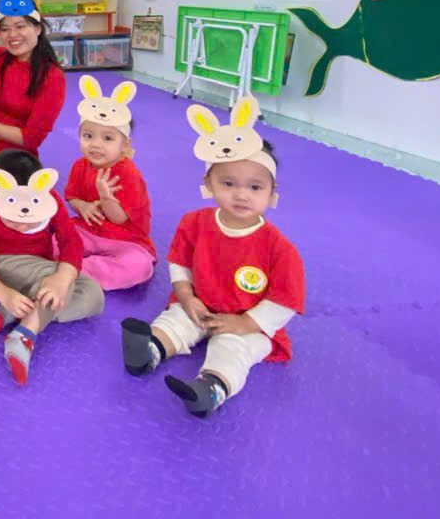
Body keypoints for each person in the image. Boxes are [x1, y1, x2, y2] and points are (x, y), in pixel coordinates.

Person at [120, 97, 305, 418]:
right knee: (176, 320)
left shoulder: (280, 248)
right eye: (228, 183)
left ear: (272, 194)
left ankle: (211, 388)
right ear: (208, 183)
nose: (241, 194)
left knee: (232, 349)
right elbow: (179, 263)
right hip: (200, 304)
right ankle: (148, 351)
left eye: (255, 187)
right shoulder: (193, 223)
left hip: (249, 322)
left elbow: (284, 302)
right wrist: (186, 296)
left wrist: (244, 322)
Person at [0, 149, 104, 385]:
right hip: (2, 262)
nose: (21, 225)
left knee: (93, 295)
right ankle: (24, 334)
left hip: (41, 266)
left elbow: (71, 241)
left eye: (30, 219)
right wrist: (2, 292)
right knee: (54, 281)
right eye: (11, 219)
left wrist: (63, 278)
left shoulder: (51, 202)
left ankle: (20, 309)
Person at [63, 77, 156, 290]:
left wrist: (106, 198)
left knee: (139, 267)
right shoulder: (79, 165)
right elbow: (71, 197)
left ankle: (74, 270)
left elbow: (119, 218)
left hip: (125, 240)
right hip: (87, 231)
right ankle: (71, 268)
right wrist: (83, 206)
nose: (96, 144)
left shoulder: (128, 173)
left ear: (125, 145)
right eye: (88, 136)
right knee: (51, 239)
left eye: (107, 139)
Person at [0, 0, 65, 156]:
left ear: (37, 28)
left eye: (20, 26)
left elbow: (31, 139)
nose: (12, 35)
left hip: (12, 151)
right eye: (5, 29)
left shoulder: (51, 76)